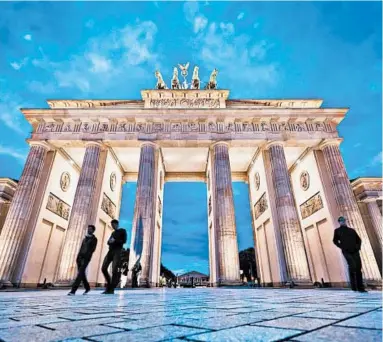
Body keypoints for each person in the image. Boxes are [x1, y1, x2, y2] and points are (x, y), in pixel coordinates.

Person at [333, 216, 367, 293]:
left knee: (358, 268)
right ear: (339, 222)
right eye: (341, 221)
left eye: (344, 220)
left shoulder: (352, 230)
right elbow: (335, 241)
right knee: (352, 266)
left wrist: (358, 248)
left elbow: (359, 240)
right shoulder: (337, 231)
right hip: (346, 251)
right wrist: (342, 247)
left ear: (345, 221)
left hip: (355, 251)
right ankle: (354, 287)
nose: (343, 222)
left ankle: (360, 287)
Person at [68, 225, 97, 296]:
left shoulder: (94, 239)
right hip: (80, 257)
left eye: (90, 229)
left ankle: (73, 290)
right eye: (88, 229)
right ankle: (87, 287)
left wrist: (87, 255)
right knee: (82, 273)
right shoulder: (84, 238)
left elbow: (93, 249)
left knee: (80, 274)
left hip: (86, 258)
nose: (88, 230)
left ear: (93, 231)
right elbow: (81, 248)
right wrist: (78, 257)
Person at [101, 219, 127, 294]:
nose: (112, 226)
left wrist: (115, 241)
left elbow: (124, 241)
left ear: (117, 224)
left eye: (113, 225)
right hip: (110, 251)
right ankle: (109, 285)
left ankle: (111, 289)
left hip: (118, 251)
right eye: (111, 225)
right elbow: (108, 242)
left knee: (114, 270)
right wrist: (109, 242)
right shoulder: (113, 233)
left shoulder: (122, 231)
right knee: (103, 268)